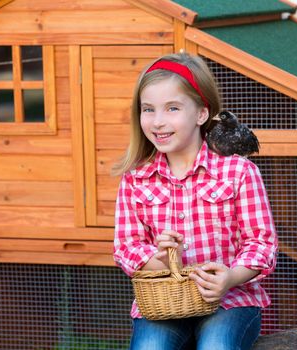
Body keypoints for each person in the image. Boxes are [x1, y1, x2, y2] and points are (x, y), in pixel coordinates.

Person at [113, 52, 278, 350]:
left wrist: (229, 278)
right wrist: (157, 259)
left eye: (172, 108)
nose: (158, 122)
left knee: (217, 346)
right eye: (148, 109)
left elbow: (261, 244)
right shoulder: (135, 179)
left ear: (202, 113)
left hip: (231, 301)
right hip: (163, 304)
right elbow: (126, 247)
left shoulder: (238, 172)